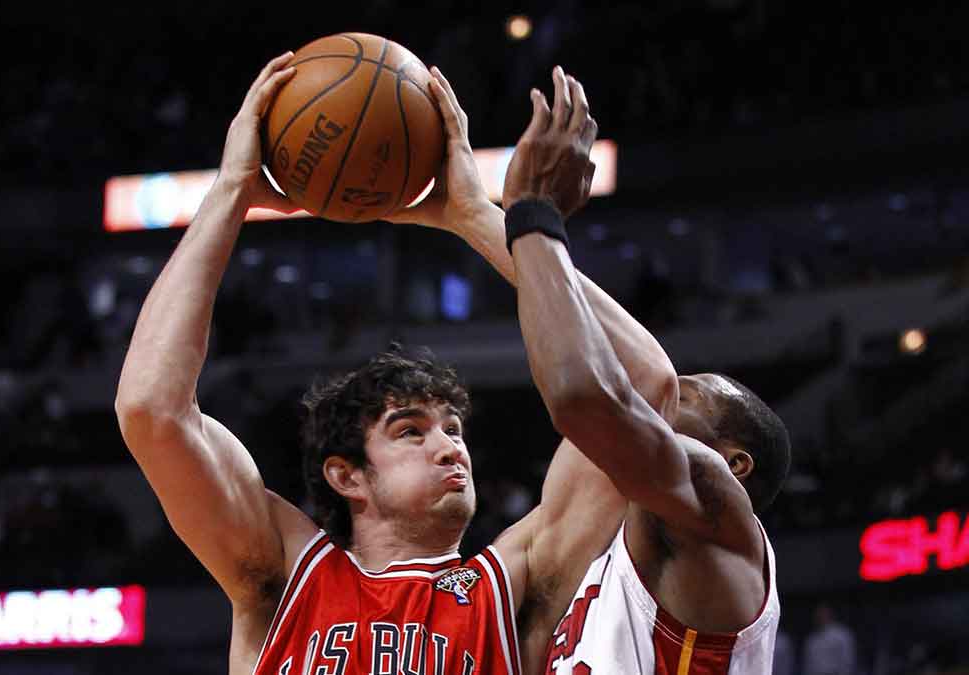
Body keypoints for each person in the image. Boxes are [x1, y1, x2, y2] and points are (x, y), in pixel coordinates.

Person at [115, 53, 673, 674]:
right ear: (347, 476)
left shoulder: (515, 587)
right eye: (411, 431)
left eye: (453, 430)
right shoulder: (282, 575)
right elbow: (151, 409)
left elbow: (646, 388)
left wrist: (482, 219)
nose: (450, 448)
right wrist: (229, 194)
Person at [498, 73, 790, 672]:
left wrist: (534, 213)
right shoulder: (603, 562)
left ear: (734, 462)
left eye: (684, 397)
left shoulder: (716, 516)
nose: (653, 393)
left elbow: (585, 395)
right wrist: (469, 213)